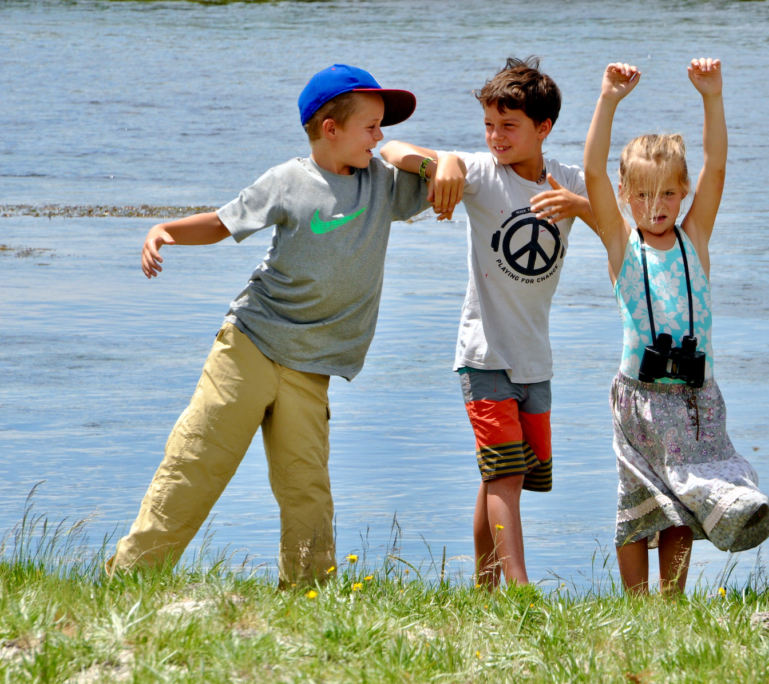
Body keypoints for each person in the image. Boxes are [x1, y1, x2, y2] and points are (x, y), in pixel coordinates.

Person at [108, 64, 435, 587]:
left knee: (307, 489)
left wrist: (403, 153)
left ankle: (306, 595)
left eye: (382, 128)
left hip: (311, 367)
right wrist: (163, 229)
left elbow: (443, 179)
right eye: (371, 126)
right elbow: (221, 224)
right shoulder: (288, 181)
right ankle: (131, 575)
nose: (380, 137)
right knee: (197, 461)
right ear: (331, 129)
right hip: (250, 345)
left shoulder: (383, 185)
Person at [380, 57, 595, 588]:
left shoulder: (566, 181)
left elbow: (613, 214)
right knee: (505, 474)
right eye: (488, 125)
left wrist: (580, 205)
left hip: (534, 359)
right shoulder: (479, 173)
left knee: (503, 475)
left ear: (543, 129)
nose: (496, 137)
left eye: (509, 126)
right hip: (485, 354)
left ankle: (484, 586)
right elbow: (388, 148)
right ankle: (518, 589)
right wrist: (445, 161)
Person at [582, 60, 769, 596]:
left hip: (695, 399)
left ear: (684, 192)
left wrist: (712, 96)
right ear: (625, 194)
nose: (656, 206)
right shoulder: (623, 245)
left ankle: (671, 603)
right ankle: (635, 602)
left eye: (668, 193)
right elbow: (593, 171)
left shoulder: (696, 239)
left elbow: (716, 166)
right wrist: (608, 99)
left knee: (681, 507)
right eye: (642, 194)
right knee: (639, 500)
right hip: (639, 400)